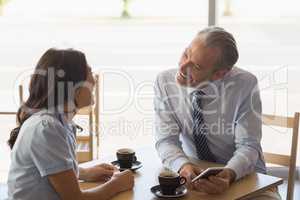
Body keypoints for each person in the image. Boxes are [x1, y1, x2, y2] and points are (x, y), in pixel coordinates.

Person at [154, 27, 281, 199]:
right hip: (194, 176)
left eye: (196, 66)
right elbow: (166, 140)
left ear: (220, 74)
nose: (183, 67)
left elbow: (249, 146)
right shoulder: (164, 82)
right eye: (186, 53)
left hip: (244, 177)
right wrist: (183, 166)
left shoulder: (245, 84)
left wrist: (229, 174)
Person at [7, 48, 134, 200]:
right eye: (89, 74)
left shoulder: (60, 122)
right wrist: (116, 184)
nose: (94, 81)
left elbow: (49, 171)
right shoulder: (46, 128)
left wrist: (84, 173)